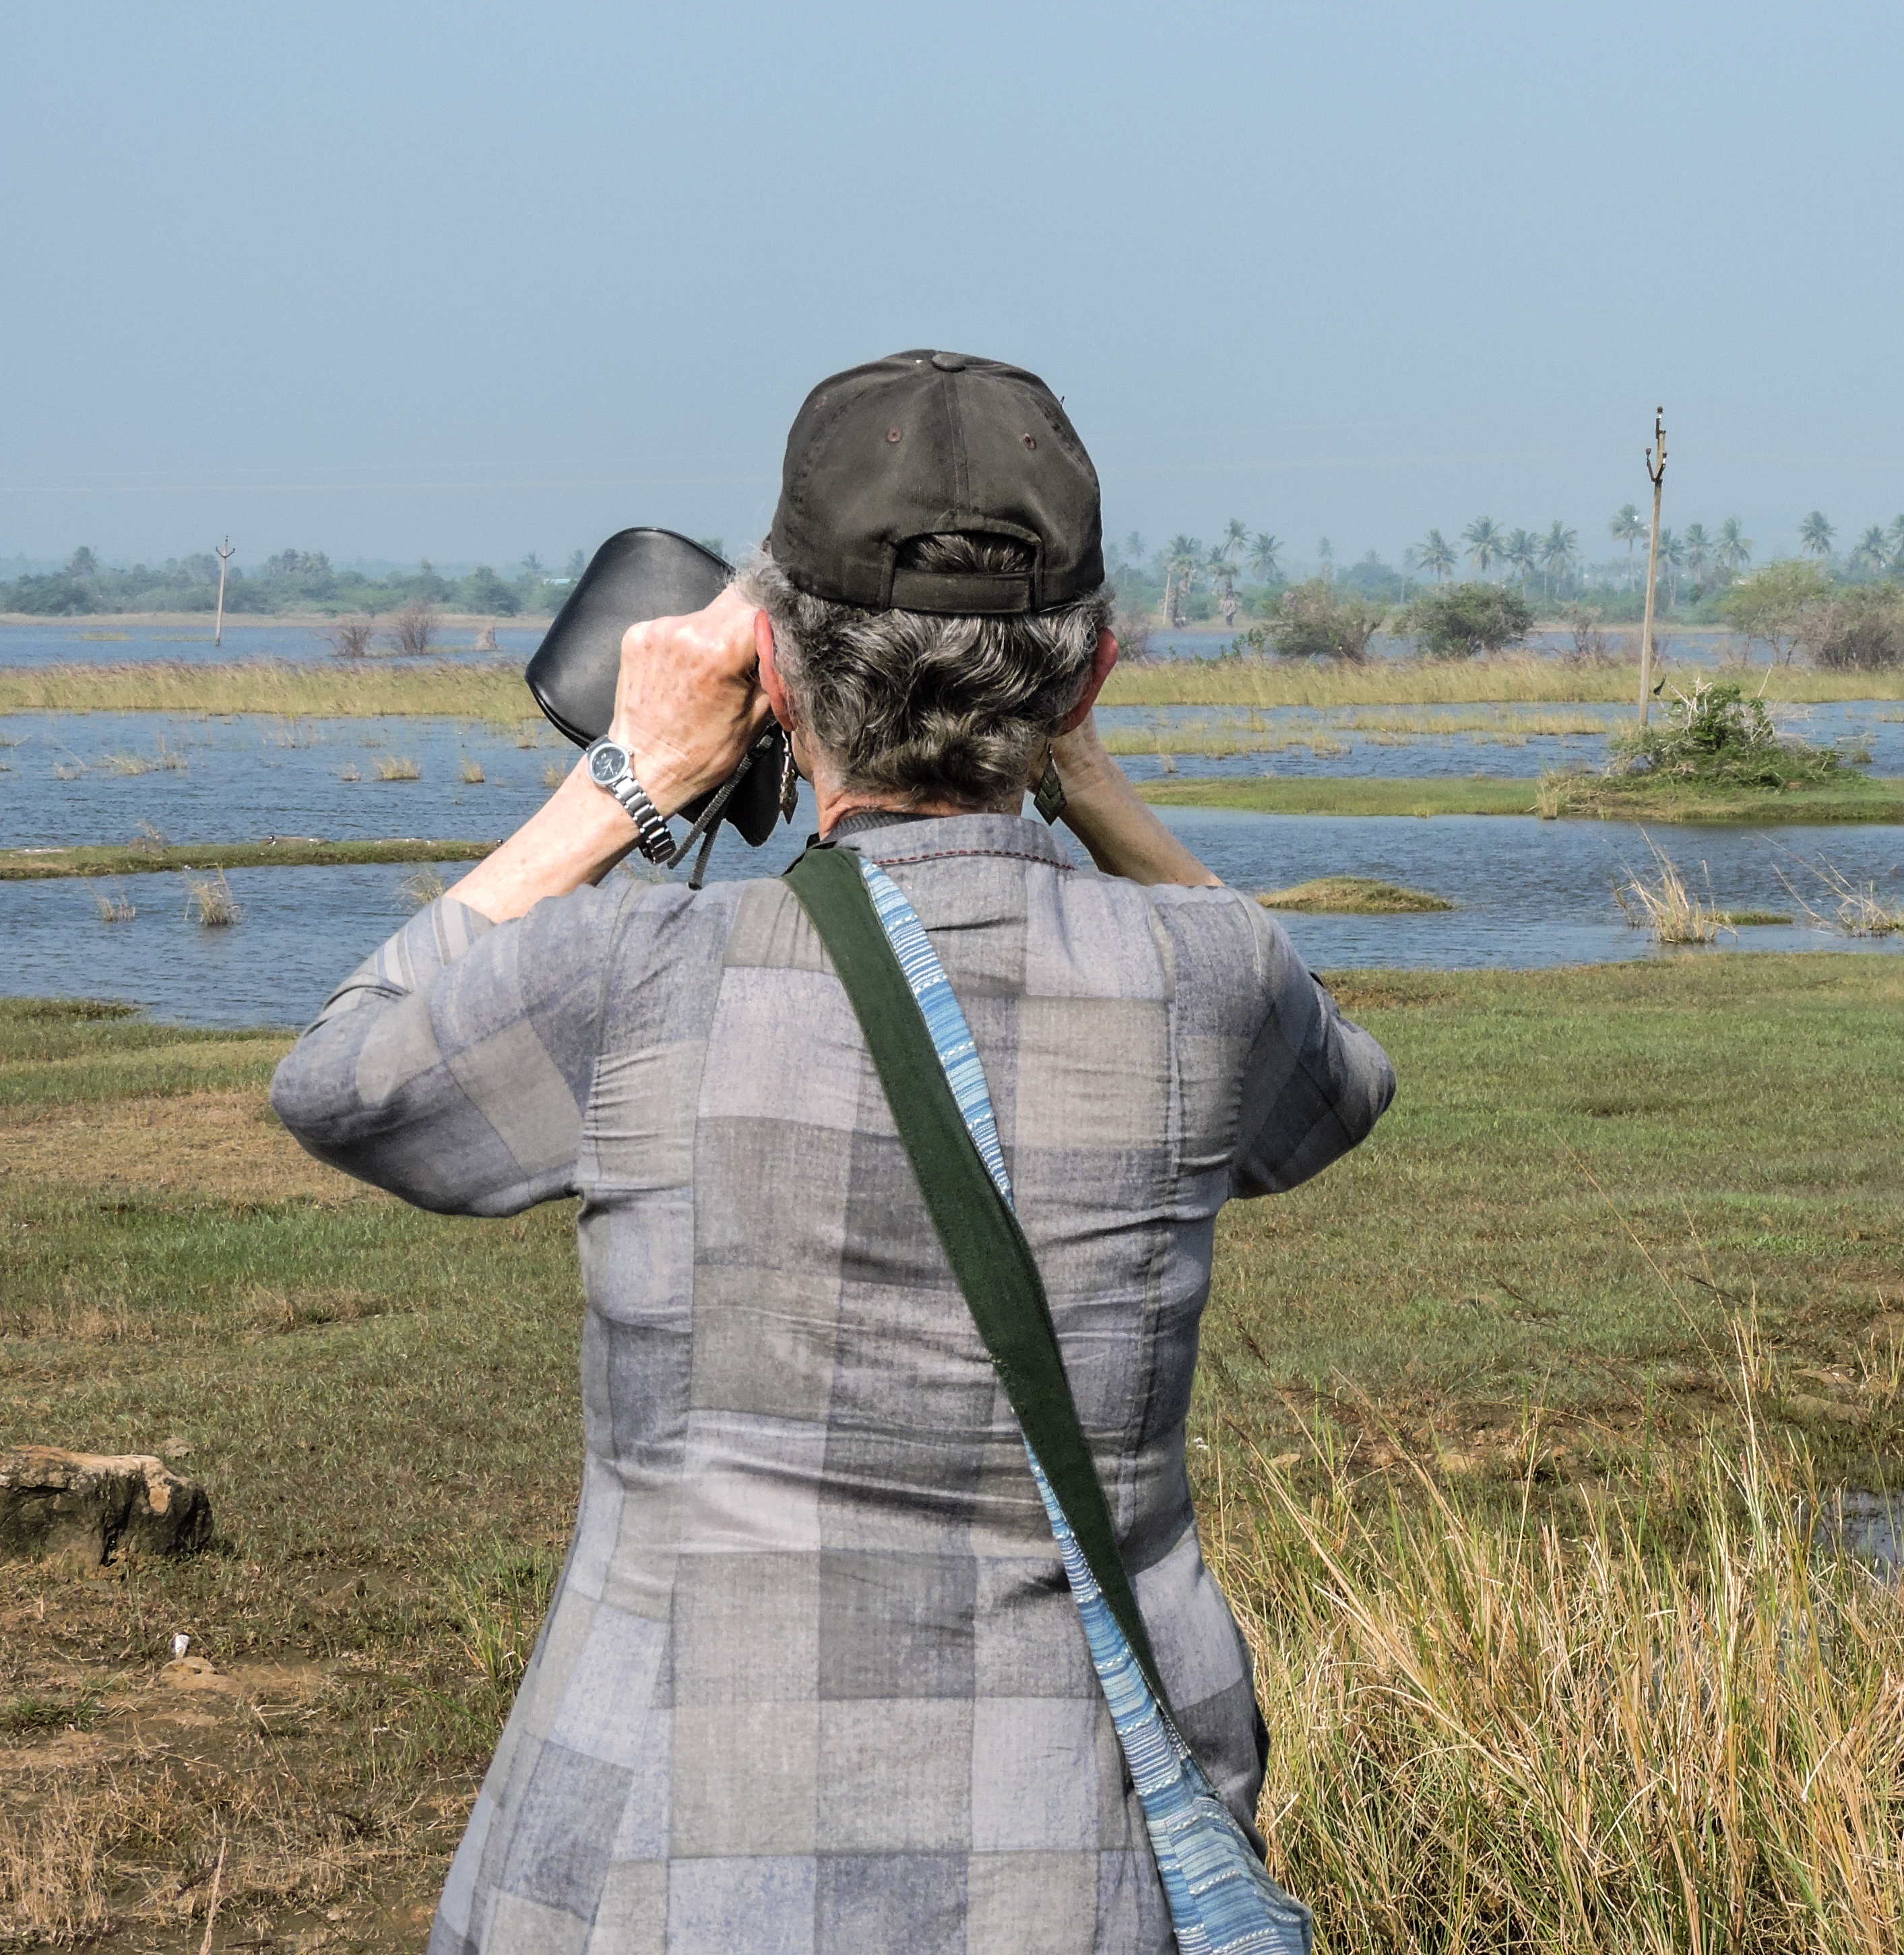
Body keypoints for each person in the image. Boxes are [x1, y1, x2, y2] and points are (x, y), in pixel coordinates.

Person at [272, 350, 1394, 1953]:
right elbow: (1335, 1088)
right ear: (1088, 679)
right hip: (1069, 1862)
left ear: (774, 671)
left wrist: (632, 780)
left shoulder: (640, 974)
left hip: (662, 1854)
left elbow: (338, 1080)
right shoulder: (1207, 983)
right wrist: (1092, 789)